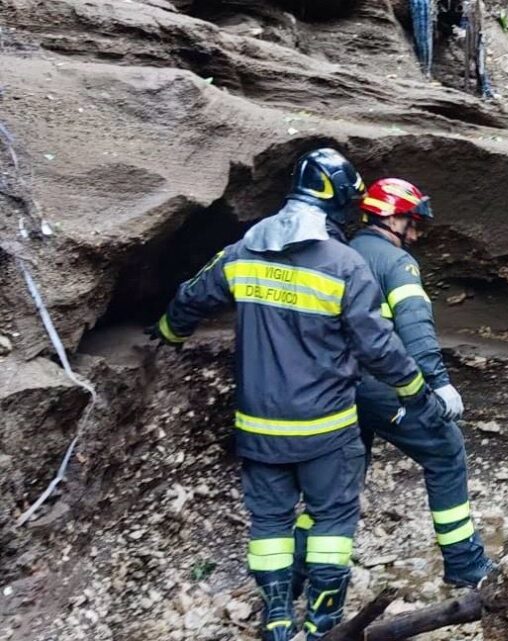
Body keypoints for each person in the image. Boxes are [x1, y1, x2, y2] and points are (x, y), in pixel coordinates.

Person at [146, 148, 443, 641]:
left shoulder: (242, 253)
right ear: (340, 202)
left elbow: (189, 298)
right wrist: (417, 392)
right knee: (332, 520)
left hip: (259, 428)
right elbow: (379, 347)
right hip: (326, 429)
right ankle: (323, 621)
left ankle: (278, 619)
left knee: (269, 526)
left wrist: (166, 333)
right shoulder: (346, 265)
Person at [350, 177, 493, 587]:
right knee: (446, 451)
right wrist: (438, 382)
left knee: (342, 478)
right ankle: (465, 563)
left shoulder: (340, 253)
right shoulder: (396, 263)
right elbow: (414, 323)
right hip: (379, 382)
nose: (416, 232)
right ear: (392, 217)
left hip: (334, 383)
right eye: (411, 221)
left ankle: (307, 574)